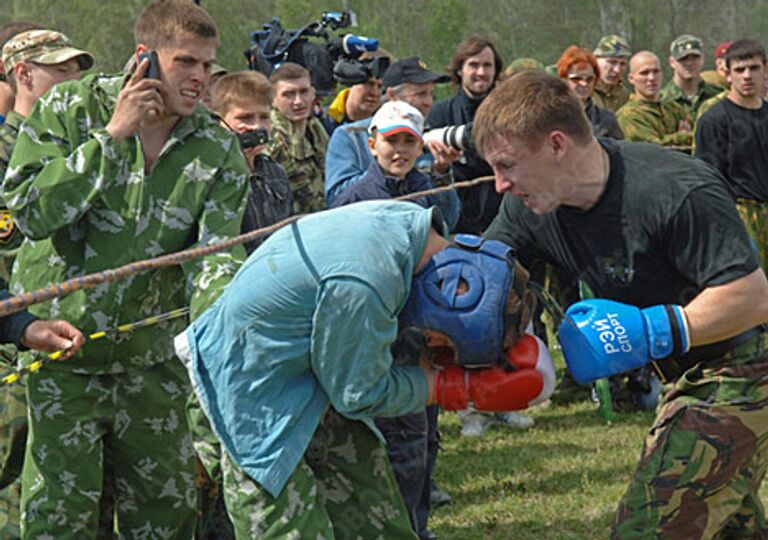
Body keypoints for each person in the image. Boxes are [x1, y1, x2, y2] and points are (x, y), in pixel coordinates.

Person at [474, 69, 768, 539]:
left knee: (648, 525)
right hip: (676, 374)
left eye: (507, 165)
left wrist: (651, 330)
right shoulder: (529, 206)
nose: (499, 184)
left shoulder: (674, 189)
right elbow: (482, 278)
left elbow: (753, 297)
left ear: (556, 145)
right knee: (725, 519)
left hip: (745, 367)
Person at [1, 1, 250, 537]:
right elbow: (30, 212)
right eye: (187, 62)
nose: (201, 78)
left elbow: (215, 258)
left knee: (166, 520)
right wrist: (112, 138)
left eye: (208, 65)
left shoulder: (216, 145)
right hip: (61, 358)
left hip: (152, 367)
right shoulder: (72, 107)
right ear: (145, 57)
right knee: (60, 523)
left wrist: (220, 341)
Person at [174, 199, 552, 539]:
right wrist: (451, 386)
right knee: (287, 527)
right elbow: (358, 394)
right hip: (250, 387)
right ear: (452, 300)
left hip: (314, 364)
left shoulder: (416, 230)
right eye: (445, 343)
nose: (436, 348)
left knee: (375, 515)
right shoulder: (365, 285)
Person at [0, 28, 93, 540]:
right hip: (13, 347)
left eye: (76, 70)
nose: (72, 80)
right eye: (60, 70)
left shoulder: (82, 156)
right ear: (22, 74)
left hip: (74, 344)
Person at [324, 55, 459, 224]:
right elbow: (336, 201)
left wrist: (440, 173)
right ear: (391, 95)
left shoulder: (428, 139)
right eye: (420, 94)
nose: (428, 102)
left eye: (432, 94)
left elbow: (449, 220)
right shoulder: (350, 135)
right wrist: (389, 173)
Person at [695, 39, 768, 271]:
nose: (747, 76)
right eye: (739, 70)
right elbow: (707, 180)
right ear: (727, 75)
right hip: (740, 217)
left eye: (754, 68)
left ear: (765, 69)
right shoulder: (714, 120)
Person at [428, 37, 503, 236]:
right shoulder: (441, 113)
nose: (481, 72)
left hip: (502, 211)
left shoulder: (508, 112)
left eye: (487, 65)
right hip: (457, 216)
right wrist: (441, 166)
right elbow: (432, 176)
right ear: (460, 70)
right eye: (474, 65)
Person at [212, 71, 292, 255]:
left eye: (264, 117)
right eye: (245, 118)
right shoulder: (210, 174)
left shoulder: (275, 172)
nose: (257, 127)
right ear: (220, 121)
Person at [264, 62, 328, 214]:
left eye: (303, 92)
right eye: (288, 94)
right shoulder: (272, 139)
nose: (298, 101)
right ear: (273, 99)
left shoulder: (316, 129)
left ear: (313, 93)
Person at [616, 51, 692, 148]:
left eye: (656, 71)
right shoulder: (628, 115)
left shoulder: (674, 108)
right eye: (644, 73)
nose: (651, 78)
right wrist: (682, 137)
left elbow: (697, 137)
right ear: (631, 78)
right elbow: (651, 149)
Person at [557, 45, 623, 139]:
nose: (584, 84)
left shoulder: (606, 120)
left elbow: (618, 150)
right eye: (576, 79)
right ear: (563, 80)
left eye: (589, 79)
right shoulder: (551, 117)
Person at [322, 50, 390, 135]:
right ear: (351, 81)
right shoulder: (322, 122)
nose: (375, 93)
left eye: (380, 87)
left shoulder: (388, 125)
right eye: (369, 84)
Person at [660, 34, 722, 121]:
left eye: (695, 58)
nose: (689, 63)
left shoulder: (717, 96)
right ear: (672, 62)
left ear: (702, 59)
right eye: (683, 58)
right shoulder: (662, 100)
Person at [592, 34, 632, 112]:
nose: (617, 70)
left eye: (622, 64)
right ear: (595, 60)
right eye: (612, 62)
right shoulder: (584, 90)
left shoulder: (622, 95)